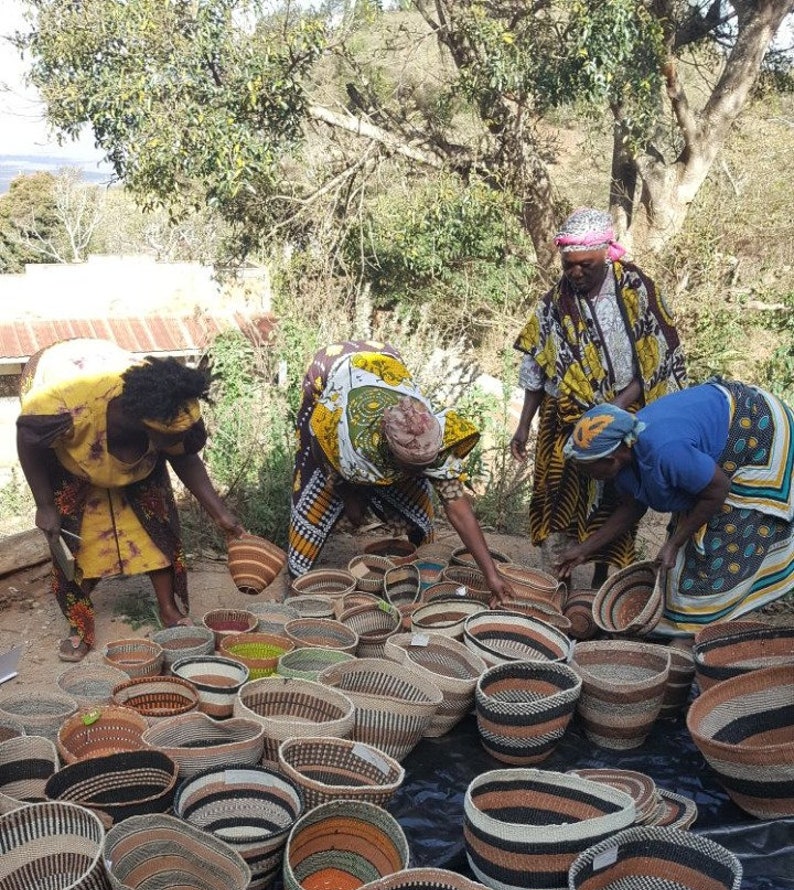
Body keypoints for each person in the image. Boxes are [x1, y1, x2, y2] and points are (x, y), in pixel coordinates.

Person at [16, 338, 243, 662]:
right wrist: (44, 505)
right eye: (170, 438)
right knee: (77, 542)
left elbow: (185, 457)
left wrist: (221, 514)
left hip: (130, 444)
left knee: (157, 530)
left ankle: (168, 608)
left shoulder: (169, 406)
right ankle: (79, 622)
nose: (175, 442)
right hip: (72, 455)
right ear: (144, 425)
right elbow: (27, 441)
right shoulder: (63, 405)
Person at [509, 207, 687, 585]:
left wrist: (612, 410)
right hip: (565, 417)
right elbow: (535, 370)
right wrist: (523, 426)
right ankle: (556, 583)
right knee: (557, 496)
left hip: (624, 414)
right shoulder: (554, 305)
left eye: (586, 264)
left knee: (617, 497)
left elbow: (656, 360)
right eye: (569, 264)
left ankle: (604, 584)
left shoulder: (637, 291)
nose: (576, 272)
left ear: (607, 253)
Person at [288, 339, 513, 604]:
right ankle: (296, 576)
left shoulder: (427, 432)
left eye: (426, 464)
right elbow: (319, 441)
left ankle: (418, 567)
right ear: (389, 451)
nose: (424, 471)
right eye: (413, 466)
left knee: (417, 502)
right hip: (331, 369)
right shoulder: (347, 438)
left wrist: (491, 574)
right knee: (318, 492)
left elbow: (458, 507)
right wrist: (347, 494)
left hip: (386, 361)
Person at [557, 380, 794, 631]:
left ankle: (704, 630)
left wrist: (674, 542)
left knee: (722, 540)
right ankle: (692, 624)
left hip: (758, 431)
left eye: (588, 469)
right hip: (714, 444)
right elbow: (632, 507)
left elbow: (717, 491)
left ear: (611, 458)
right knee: (686, 549)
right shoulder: (625, 458)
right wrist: (584, 549)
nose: (587, 475)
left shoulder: (665, 450)